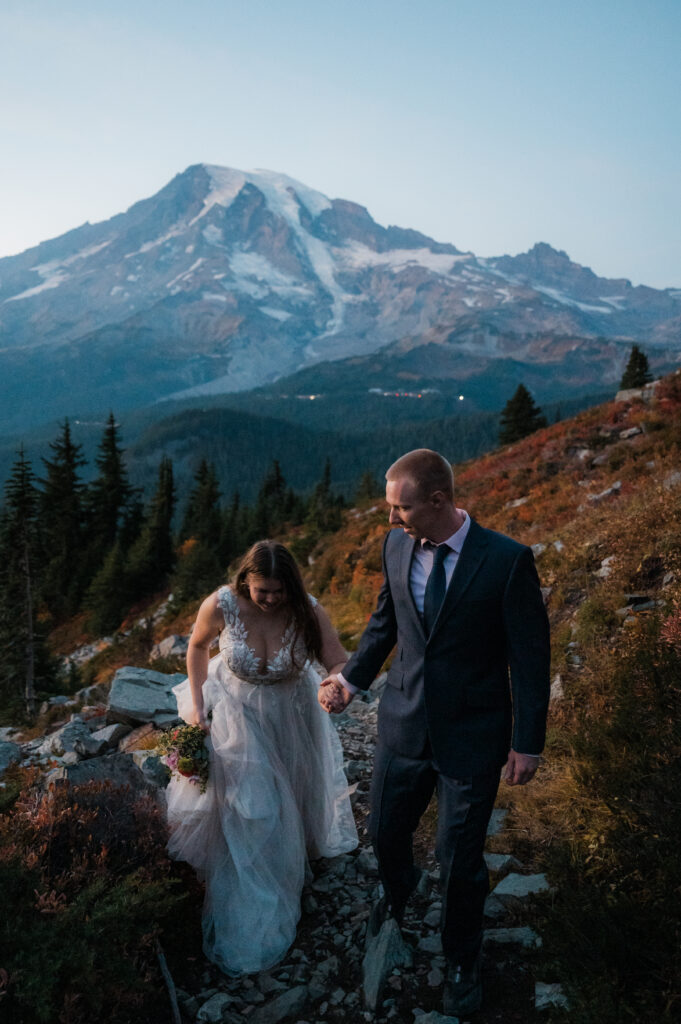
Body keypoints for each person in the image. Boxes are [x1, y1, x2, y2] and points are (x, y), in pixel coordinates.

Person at [319, 449, 550, 1016]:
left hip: (473, 737)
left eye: (401, 508)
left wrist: (528, 741)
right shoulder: (395, 545)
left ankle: (462, 959)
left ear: (439, 501)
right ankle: (398, 892)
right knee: (387, 837)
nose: (391, 518)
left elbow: (530, 657)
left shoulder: (506, 561)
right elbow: (384, 624)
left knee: (459, 859)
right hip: (402, 723)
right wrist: (349, 681)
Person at [166, 540, 358, 976]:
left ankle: (296, 859)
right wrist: (197, 708)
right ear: (244, 582)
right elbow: (197, 647)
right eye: (261, 591)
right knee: (253, 805)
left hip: (291, 714)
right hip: (239, 715)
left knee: (295, 789)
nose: (270, 599)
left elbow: (336, 658)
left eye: (278, 591)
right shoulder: (221, 604)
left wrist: (333, 683)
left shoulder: (308, 609)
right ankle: (255, 882)